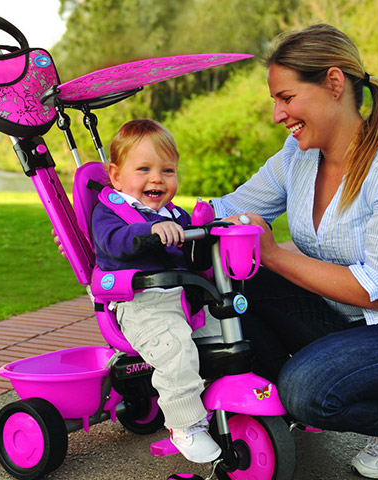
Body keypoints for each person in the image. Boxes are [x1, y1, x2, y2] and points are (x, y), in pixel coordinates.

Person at [210, 24, 378, 480]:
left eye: (286, 98)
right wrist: (133, 219)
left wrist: (272, 253)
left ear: (333, 84)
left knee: (306, 388)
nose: (277, 114)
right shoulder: (295, 158)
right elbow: (225, 210)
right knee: (229, 280)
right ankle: (290, 397)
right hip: (344, 320)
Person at [91, 119, 222, 463]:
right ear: (116, 176)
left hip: (182, 299)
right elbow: (114, 243)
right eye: (144, 169)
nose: (157, 179)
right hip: (138, 304)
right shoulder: (110, 212)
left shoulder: (175, 214)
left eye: (167, 170)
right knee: (176, 350)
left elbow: (191, 260)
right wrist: (149, 229)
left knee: (228, 332)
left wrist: (204, 232)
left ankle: (224, 403)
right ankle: (186, 426)